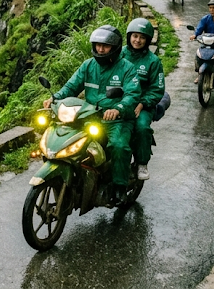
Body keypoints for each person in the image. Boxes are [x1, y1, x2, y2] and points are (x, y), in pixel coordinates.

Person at [43, 25, 141, 201]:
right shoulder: (88, 65)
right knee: (68, 140)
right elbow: (71, 86)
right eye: (98, 45)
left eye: (105, 46)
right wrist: (55, 98)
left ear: (115, 47)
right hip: (89, 116)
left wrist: (117, 109)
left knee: (118, 145)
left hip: (117, 120)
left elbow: (132, 94)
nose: (101, 49)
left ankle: (119, 186)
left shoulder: (127, 68)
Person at [121, 18, 164, 181]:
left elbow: (157, 89)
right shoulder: (119, 54)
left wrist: (142, 104)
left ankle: (142, 163)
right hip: (117, 101)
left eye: (142, 37)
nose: (137, 40)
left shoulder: (153, 61)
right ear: (129, 36)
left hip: (143, 105)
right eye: (135, 36)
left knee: (141, 128)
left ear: (147, 40)